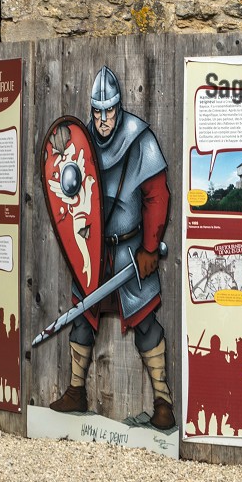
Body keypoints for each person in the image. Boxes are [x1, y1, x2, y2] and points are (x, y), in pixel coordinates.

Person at [48, 66, 176, 430]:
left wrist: (150, 247)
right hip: (92, 249)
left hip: (130, 250)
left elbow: (157, 196)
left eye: (110, 111)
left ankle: (163, 402)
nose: (103, 119)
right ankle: (76, 391)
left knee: (147, 322)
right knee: (82, 317)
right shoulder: (81, 142)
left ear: (119, 108)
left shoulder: (140, 140)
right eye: (98, 111)